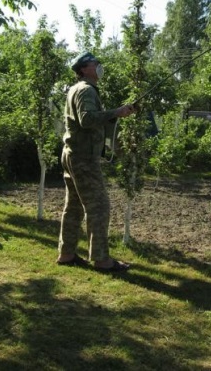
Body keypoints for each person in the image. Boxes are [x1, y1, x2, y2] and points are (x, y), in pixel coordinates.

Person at [57, 51, 135, 272]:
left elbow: (89, 117)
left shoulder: (76, 89)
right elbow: (87, 119)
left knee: (73, 207)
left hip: (72, 153)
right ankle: (101, 260)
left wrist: (115, 114)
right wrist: (116, 112)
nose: (99, 65)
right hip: (83, 158)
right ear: (83, 69)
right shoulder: (85, 90)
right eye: (94, 63)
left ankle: (67, 254)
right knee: (99, 207)